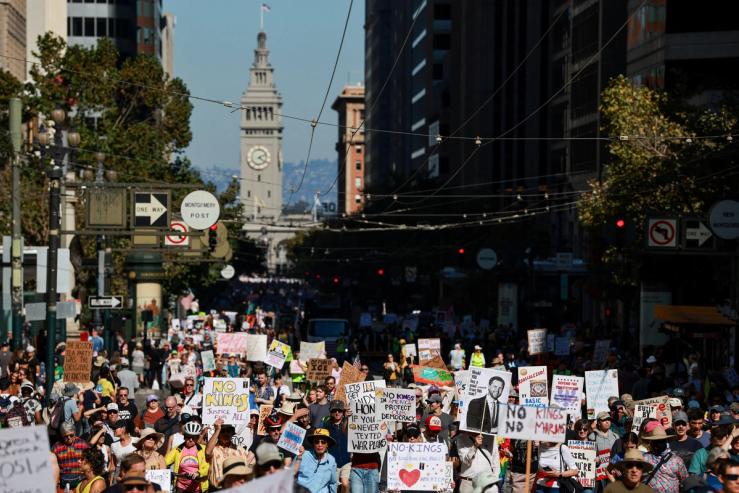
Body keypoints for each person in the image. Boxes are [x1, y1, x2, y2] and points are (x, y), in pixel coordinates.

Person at [641, 422, 687, 493]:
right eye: (655, 441)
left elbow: (684, 480)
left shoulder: (676, 460)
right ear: (651, 442)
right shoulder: (644, 458)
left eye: (661, 441)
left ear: (666, 441)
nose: (658, 443)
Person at [165, 420, 210, 492]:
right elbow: (165, 461)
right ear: (184, 436)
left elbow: (207, 466)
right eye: (188, 437)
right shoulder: (177, 449)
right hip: (181, 486)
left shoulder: (203, 449)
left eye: (194, 437)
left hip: (198, 487)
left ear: (198, 437)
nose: (191, 440)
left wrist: (199, 473)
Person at [205, 418, 249, 489]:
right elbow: (207, 453)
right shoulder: (214, 449)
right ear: (218, 434)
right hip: (216, 489)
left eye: (228, 431)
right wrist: (217, 430)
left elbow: (245, 471)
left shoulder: (240, 450)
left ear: (232, 433)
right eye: (223, 431)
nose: (226, 434)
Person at [296, 428, 338, 493]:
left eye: (323, 442)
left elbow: (333, 483)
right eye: (316, 442)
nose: (320, 444)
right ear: (313, 444)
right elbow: (291, 474)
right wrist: (299, 457)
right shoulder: (303, 455)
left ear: (327, 444)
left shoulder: (331, 460)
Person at [53, 422, 90, 491]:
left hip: (80, 479)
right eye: (66, 436)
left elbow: (89, 460)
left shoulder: (82, 444)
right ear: (62, 435)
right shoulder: (56, 447)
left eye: (71, 435)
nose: (69, 438)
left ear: (75, 433)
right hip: (63, 481)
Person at [325, 400, 351, 493]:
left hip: (346, 460)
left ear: (343, 412)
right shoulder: (326, 425)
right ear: (331, 412)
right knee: (333, 487)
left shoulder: (349, 422)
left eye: (339, 410)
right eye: (334, 410)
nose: (337, 413)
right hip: (332, 461)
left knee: (345, 484)